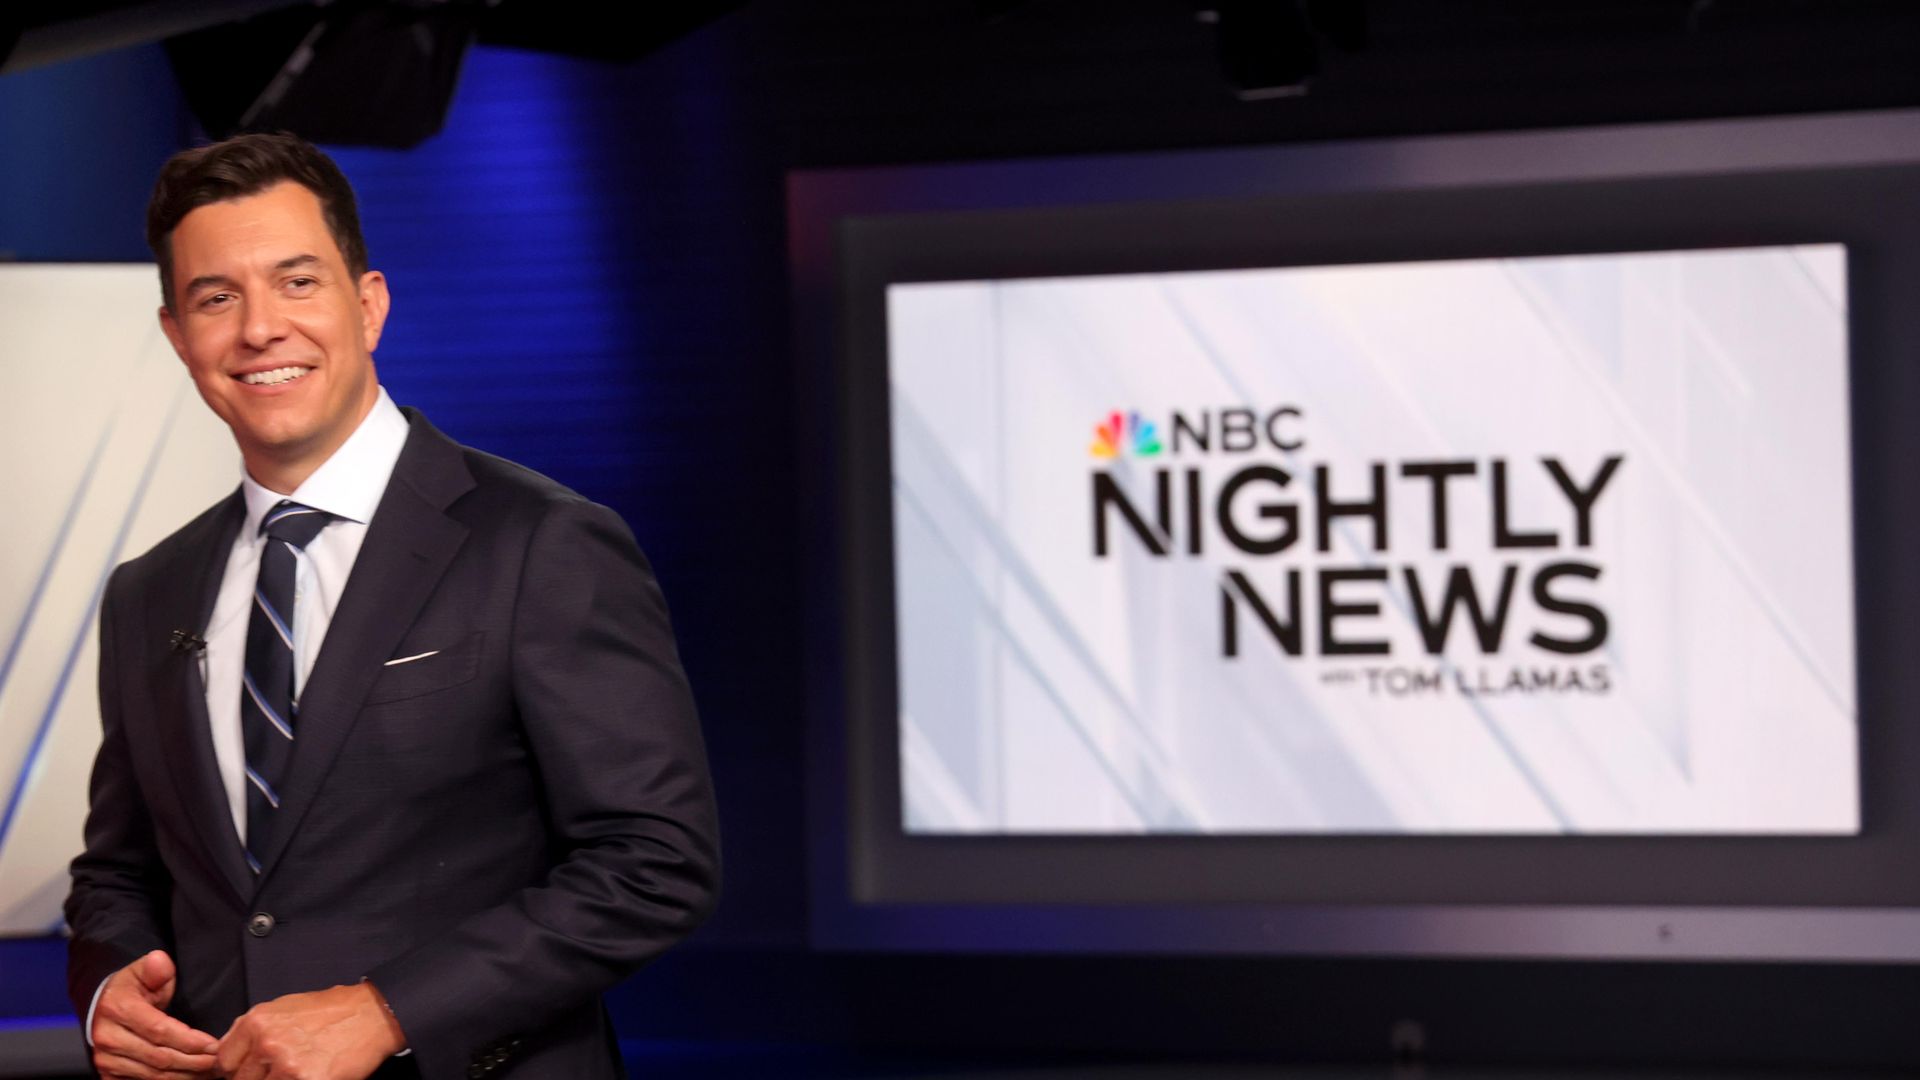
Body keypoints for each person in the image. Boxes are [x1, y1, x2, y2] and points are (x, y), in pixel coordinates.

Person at [63, 132, 721, 1080]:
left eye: (297, 283)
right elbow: (120, 871)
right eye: (217, 298)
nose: (259, 329)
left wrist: (387, 1010)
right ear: (177, 335)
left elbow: (656, 862)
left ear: (367, 306)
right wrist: (108, 989)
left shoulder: (539, 541)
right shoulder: (147, 592)